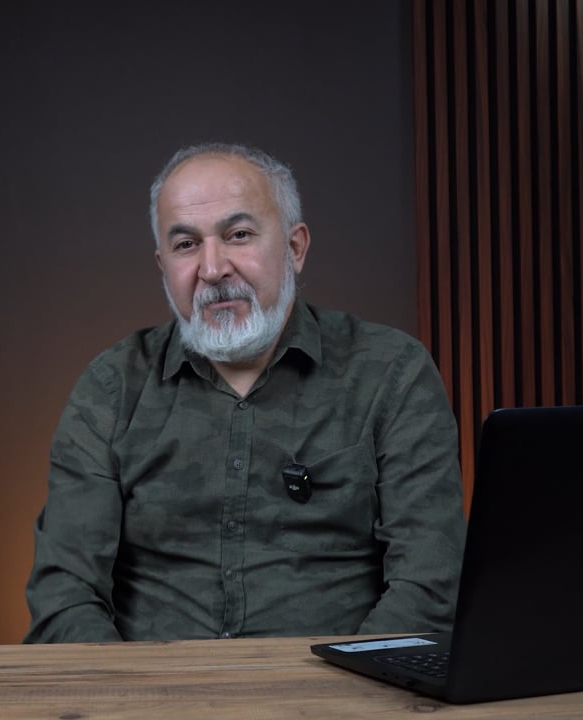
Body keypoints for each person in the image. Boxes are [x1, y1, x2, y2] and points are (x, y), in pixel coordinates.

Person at [23, 142, 465, 643]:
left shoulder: (390, 372)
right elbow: (64, 594)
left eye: (238, 235)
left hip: (343, 683)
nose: (212, 269)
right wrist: (129, 688)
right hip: (150, 687)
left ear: (294, 248)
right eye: (186, 245)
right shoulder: (113, 386)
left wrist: (349, 683)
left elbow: (430, 582)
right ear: (163, 265)